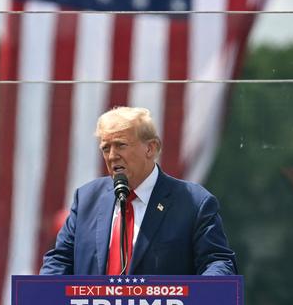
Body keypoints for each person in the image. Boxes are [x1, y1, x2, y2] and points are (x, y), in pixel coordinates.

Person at [40, 106, 237, 275]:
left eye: (120, 145)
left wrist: (202, 292)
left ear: (151, 148)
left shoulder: (193, 202)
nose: (112, 156)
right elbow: (60, 260)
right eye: (105, 148)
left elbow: (217, 262)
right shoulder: (86, 199)